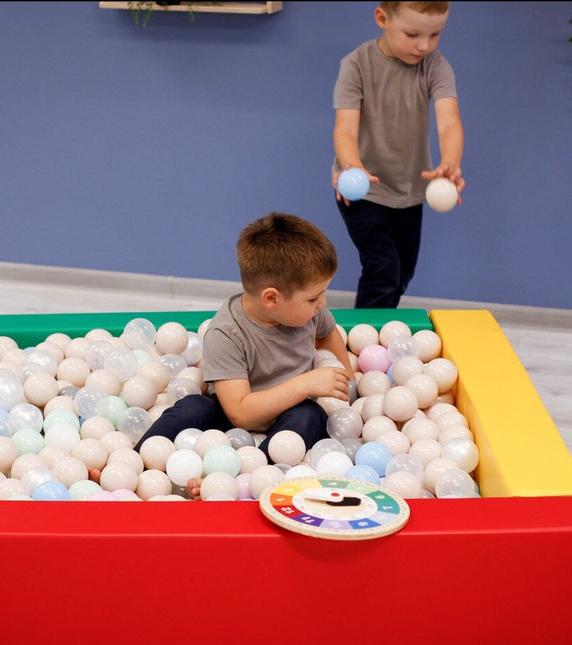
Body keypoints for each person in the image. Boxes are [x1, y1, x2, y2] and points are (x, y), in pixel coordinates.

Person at [132, 212, 356, 498]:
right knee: (192, 408)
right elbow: (240, 413)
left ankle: (249, 482)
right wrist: (307, 383)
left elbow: (328, 332)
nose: (323, 303)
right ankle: (135, 466)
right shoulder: (226, 333)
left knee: (308, 416)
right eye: (314, 298)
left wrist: (345, 376)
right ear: (272, 299)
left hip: (290, 414)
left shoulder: (310, 313)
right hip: (235, 413)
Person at [332, 1, 465, 309]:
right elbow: (346, 130)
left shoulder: (435, 66)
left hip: (409, 193)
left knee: (403, 272)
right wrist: (354, 168)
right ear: (382, 18)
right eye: (413, 33)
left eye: (435, 35)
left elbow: (449, 122)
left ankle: (382, 333)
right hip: (363, 191)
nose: (424, 45)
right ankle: (364, 341)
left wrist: (450, 163)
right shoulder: (356, 65)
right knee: (383, 269)